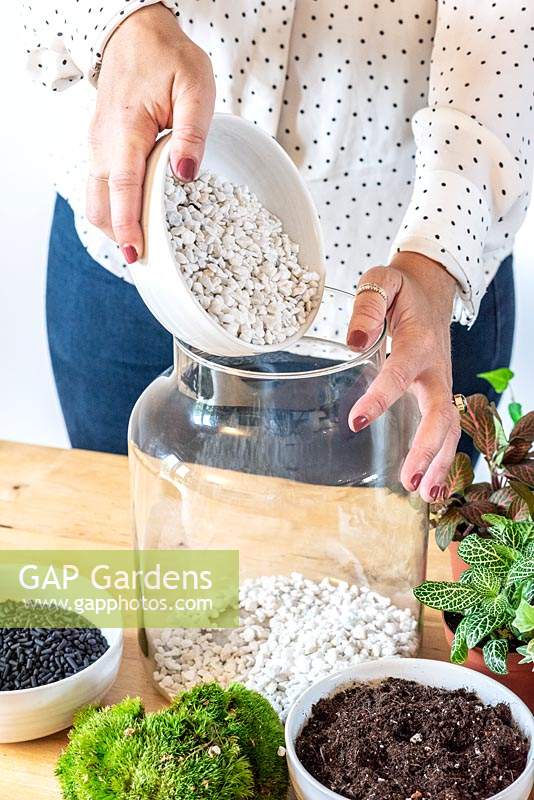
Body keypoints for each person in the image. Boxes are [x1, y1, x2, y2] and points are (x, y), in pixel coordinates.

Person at [22, 1, 529, 502]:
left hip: (410, 288)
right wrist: (124, 24)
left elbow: (508, 27)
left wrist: (437, 256)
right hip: (131, 236)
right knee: (129, 550)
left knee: (363, 556)